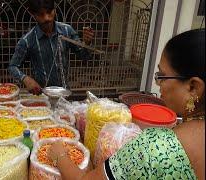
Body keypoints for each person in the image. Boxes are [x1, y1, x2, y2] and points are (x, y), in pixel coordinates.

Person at [47, 28, 205, 179]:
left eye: (162, 76)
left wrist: (60, 155)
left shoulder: (156, 147)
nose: (158, 83)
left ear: (193, 87)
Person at [8, 0, 94, 95]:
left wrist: (86, 43)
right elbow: (12, 66)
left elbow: (84, 57)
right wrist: (26, 79)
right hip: (41, 95)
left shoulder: (66, 31)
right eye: (41, 14)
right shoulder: (28, 40)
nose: (46, 18)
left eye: (49, 12)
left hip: (64, 93)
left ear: (54, 10)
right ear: (34, 15)